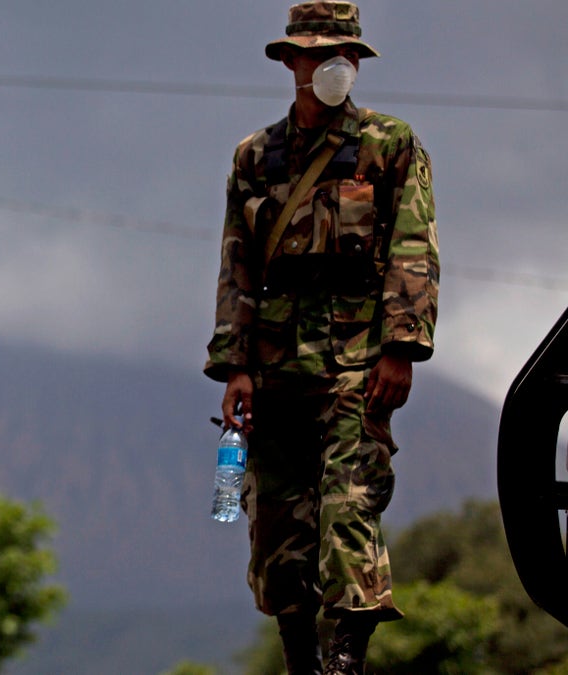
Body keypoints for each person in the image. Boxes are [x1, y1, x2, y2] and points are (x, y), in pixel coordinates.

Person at [203, 2, 439, 674]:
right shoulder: (255, 157)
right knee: (276, 526)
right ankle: (301, 660)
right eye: (322, 51)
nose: (339, 63)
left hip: (356, 368)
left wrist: (401, 346)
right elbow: (237, 262)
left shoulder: (389, 146)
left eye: (348, 52)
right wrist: (235, 367)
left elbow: (413, 249)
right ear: (292, 62)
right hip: (274, 372)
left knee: (348, 511)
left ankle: (346, 662)